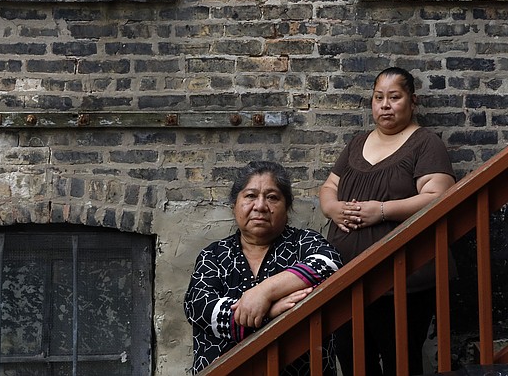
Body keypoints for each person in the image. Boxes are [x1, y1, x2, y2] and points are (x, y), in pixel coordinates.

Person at [320, 67, 456, 376]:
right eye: (378, 98)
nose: (385, 105)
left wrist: (381, 211)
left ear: (412, 101)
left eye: (394, 97)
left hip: (400, 279)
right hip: (345, 277)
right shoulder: (357, 143)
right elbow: (329, 186)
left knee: (399, 361)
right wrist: (333, 209)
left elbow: (439, 196)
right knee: (352, 358)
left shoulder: (425, 143)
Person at [184, 161, 343, 375]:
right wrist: (271, 312)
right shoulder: (213, 256)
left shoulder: (304, 243)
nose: (260, 206)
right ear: (234, 205)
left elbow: (329, 265)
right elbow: (201, 307)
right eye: (250, 196)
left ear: (287, 207)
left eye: (272, 197)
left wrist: (265, 291)